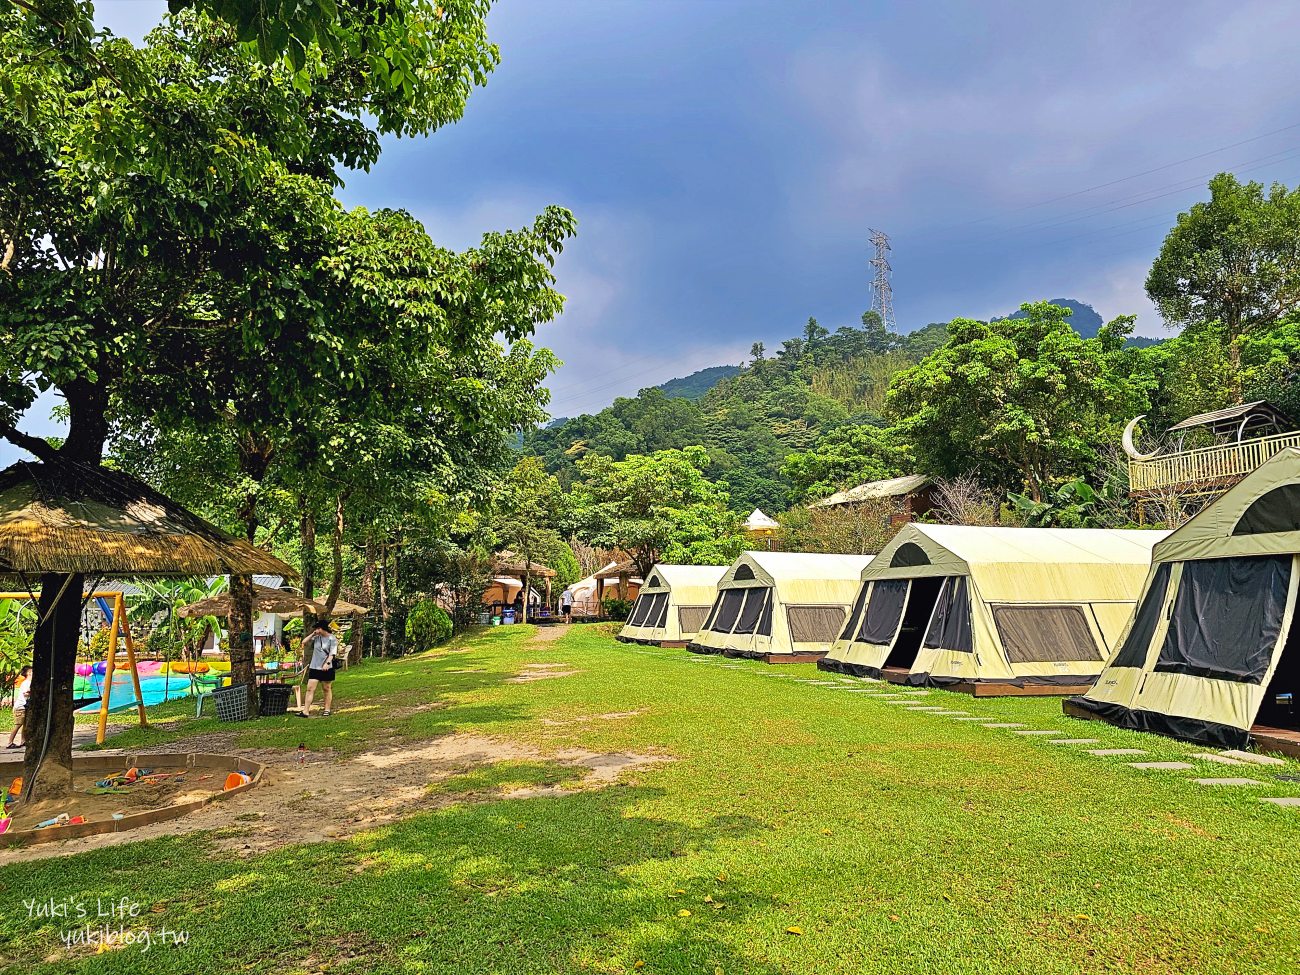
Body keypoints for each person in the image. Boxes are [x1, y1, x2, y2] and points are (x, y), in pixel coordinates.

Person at [295, 621, 338, 718]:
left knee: (326, 688)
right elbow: (304, 642)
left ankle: (327, 709)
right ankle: (305, 711)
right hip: (315, 666)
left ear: (322, 628)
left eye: (317, 628)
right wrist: (313, 634)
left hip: (326, 667)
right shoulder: (317, 637)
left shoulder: (332, 638)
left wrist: (327, 664)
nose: (316, 630)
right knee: (310, 689)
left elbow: (332, 653)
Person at [6, 665, 31, 749]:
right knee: (18, 724)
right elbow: (25, 693)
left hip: (24, 707)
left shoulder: (28, 682)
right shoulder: (26, 683)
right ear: (29, 673)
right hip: (20, 707)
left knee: (25, 724)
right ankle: (10, 742)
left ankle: (23, 741)